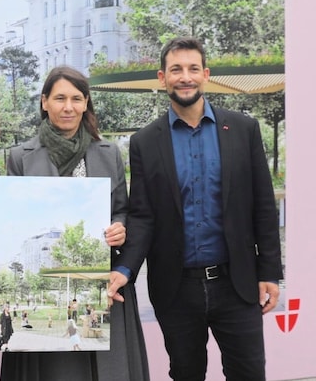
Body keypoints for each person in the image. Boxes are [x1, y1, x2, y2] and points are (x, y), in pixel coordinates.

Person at [109, 37, 283, 380]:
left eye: (192, 69)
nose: (184, 77)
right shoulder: (145, 141)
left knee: (249, 373)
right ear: (162, 77)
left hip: (238, 284)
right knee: (186, 374)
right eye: (176, 69)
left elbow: (263, 204)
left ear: (205, 74)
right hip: (176, 289)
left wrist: (269, 272)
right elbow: (143, 215)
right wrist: (125, 269)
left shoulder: (243, 129)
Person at [0, 66, 149, 380]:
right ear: (44, 102)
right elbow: (12, 219)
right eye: (60, 98)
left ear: (86, 103)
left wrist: (119, 228)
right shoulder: (19, 156)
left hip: (103, 280)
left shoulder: (109, 154)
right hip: (49, 280)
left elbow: (122, 210)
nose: (68, 107)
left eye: (76, 99)